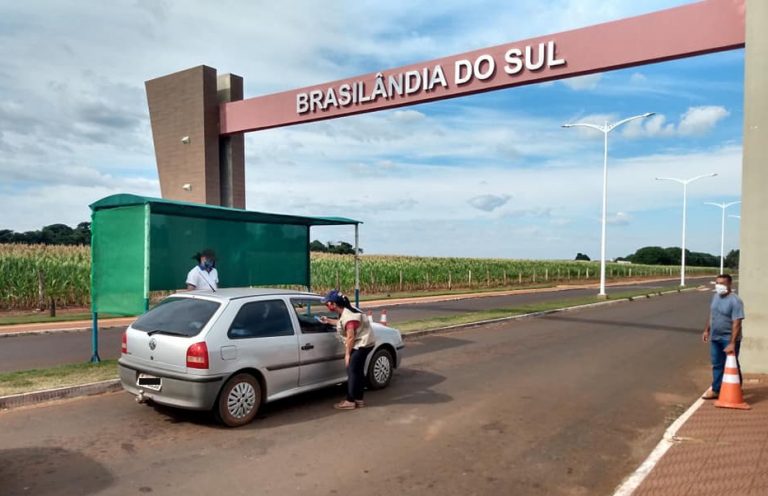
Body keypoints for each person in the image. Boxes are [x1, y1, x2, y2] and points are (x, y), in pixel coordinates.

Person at [319, 289, 376, 410]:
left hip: (362, 344)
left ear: (334, 304)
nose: (326, 305)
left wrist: (347, 355)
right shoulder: (345, 311)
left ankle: (350, 401)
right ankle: (359, 400)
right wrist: (328, 321)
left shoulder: (349, 317)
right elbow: (341, 323)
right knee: (358, 371)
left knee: (352, 371)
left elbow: (350, 337)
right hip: (364, 343)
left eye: (327, 303)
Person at [701, 273, 745, 399]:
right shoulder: (716, 296)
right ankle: (716, 390)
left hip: (729, 338)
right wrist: (707, 330)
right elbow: (712, 314)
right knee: (717, 364)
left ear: (729, 284)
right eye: (717, 283)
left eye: (722, 283)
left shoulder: (735, 301)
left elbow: (737, 323)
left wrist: (732, 343)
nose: (719, 286)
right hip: (715, 337)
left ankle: (737, 388)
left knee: (732, 364)